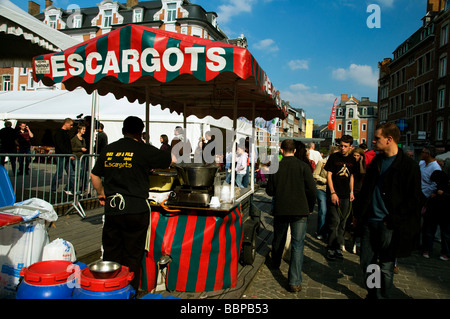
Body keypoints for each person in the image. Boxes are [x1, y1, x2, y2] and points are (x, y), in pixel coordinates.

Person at [90, 116, 173, 290]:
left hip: (113, 208)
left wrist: (101, 193)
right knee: (133, 254)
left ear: (122, 130)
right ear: (140, 133)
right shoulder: (143, 148)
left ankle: (110, 288)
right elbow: (168, 160)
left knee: (111, 252)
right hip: (136, 209)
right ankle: (129, 290)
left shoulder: (109, 149)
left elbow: (94, 175)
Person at [356, 122, 421, 299]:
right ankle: (373, 294)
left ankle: (382, 296)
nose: (373, 141)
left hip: (389, 225)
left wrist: (392, 219)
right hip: (370, 221)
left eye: (377, 138)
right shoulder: (377, 161)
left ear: (389, 139)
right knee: (368, 264)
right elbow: (366, 191)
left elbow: (414, 199)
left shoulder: (409, 166)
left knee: (385, 266)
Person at [266, 139, 316, 292]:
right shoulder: (303, 166)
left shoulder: (276, 167)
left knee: (279, 237)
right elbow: (311, 190)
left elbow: (269, 191)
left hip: (281, 208)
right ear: (294, 151)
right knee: (298, 245)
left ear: (282, 150)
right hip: (300, 210)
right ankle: (294, 281)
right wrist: (310, 207)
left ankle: (275, 262)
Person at [324, 135, 356, 260]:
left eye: (345, 146)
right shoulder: (333, 157)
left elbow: (352, 176)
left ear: (350, 147)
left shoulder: (352, 160)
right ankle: (331, 247)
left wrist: (352, 191)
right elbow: (329, 175)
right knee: (334, 221)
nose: (342, 148)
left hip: (346, 195)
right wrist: (332, 192)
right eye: (341, 146)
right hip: (334, 193)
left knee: (343, 222)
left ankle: (338, 246)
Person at [422, 170, 450, 261]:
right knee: (434, 232)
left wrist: (443, 194)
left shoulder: (443, 186)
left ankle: (444, 252)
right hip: (436, 212)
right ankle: (428, 250)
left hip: (443, 212)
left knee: (442, 233)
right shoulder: (438, 185)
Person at [312, 145, 338, 240]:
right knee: (323, 210)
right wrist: (325, 180)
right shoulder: (322, 162)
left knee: (330, 212)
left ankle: (327, 231)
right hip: (321, 189)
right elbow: (315, 175)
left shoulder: (337, 164)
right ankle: (320, 231)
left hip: (332, 191)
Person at [51, 118, 75, 194]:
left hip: (67, 155)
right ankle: (53, 189)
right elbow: (60, 145)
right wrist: (68, 154)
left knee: (71, 173)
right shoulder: (59, 133)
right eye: (71, 125)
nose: (71, 127)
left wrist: (70, 154)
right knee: (59, 173)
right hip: (61, 155)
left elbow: (68, 145)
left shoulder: (66, 133)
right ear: (66, 124)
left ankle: (72, 188)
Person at [71, 124, 88, 192]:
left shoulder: (83, 139)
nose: (84, 131)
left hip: (81, 157)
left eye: (84, 129)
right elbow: (72, 148)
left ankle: (79, 187)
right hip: (76, 157)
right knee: (78, 173)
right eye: (83, 129)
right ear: (79, 130)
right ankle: (73, 188)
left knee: (82, 173)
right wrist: (80, 149)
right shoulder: (74, 139)